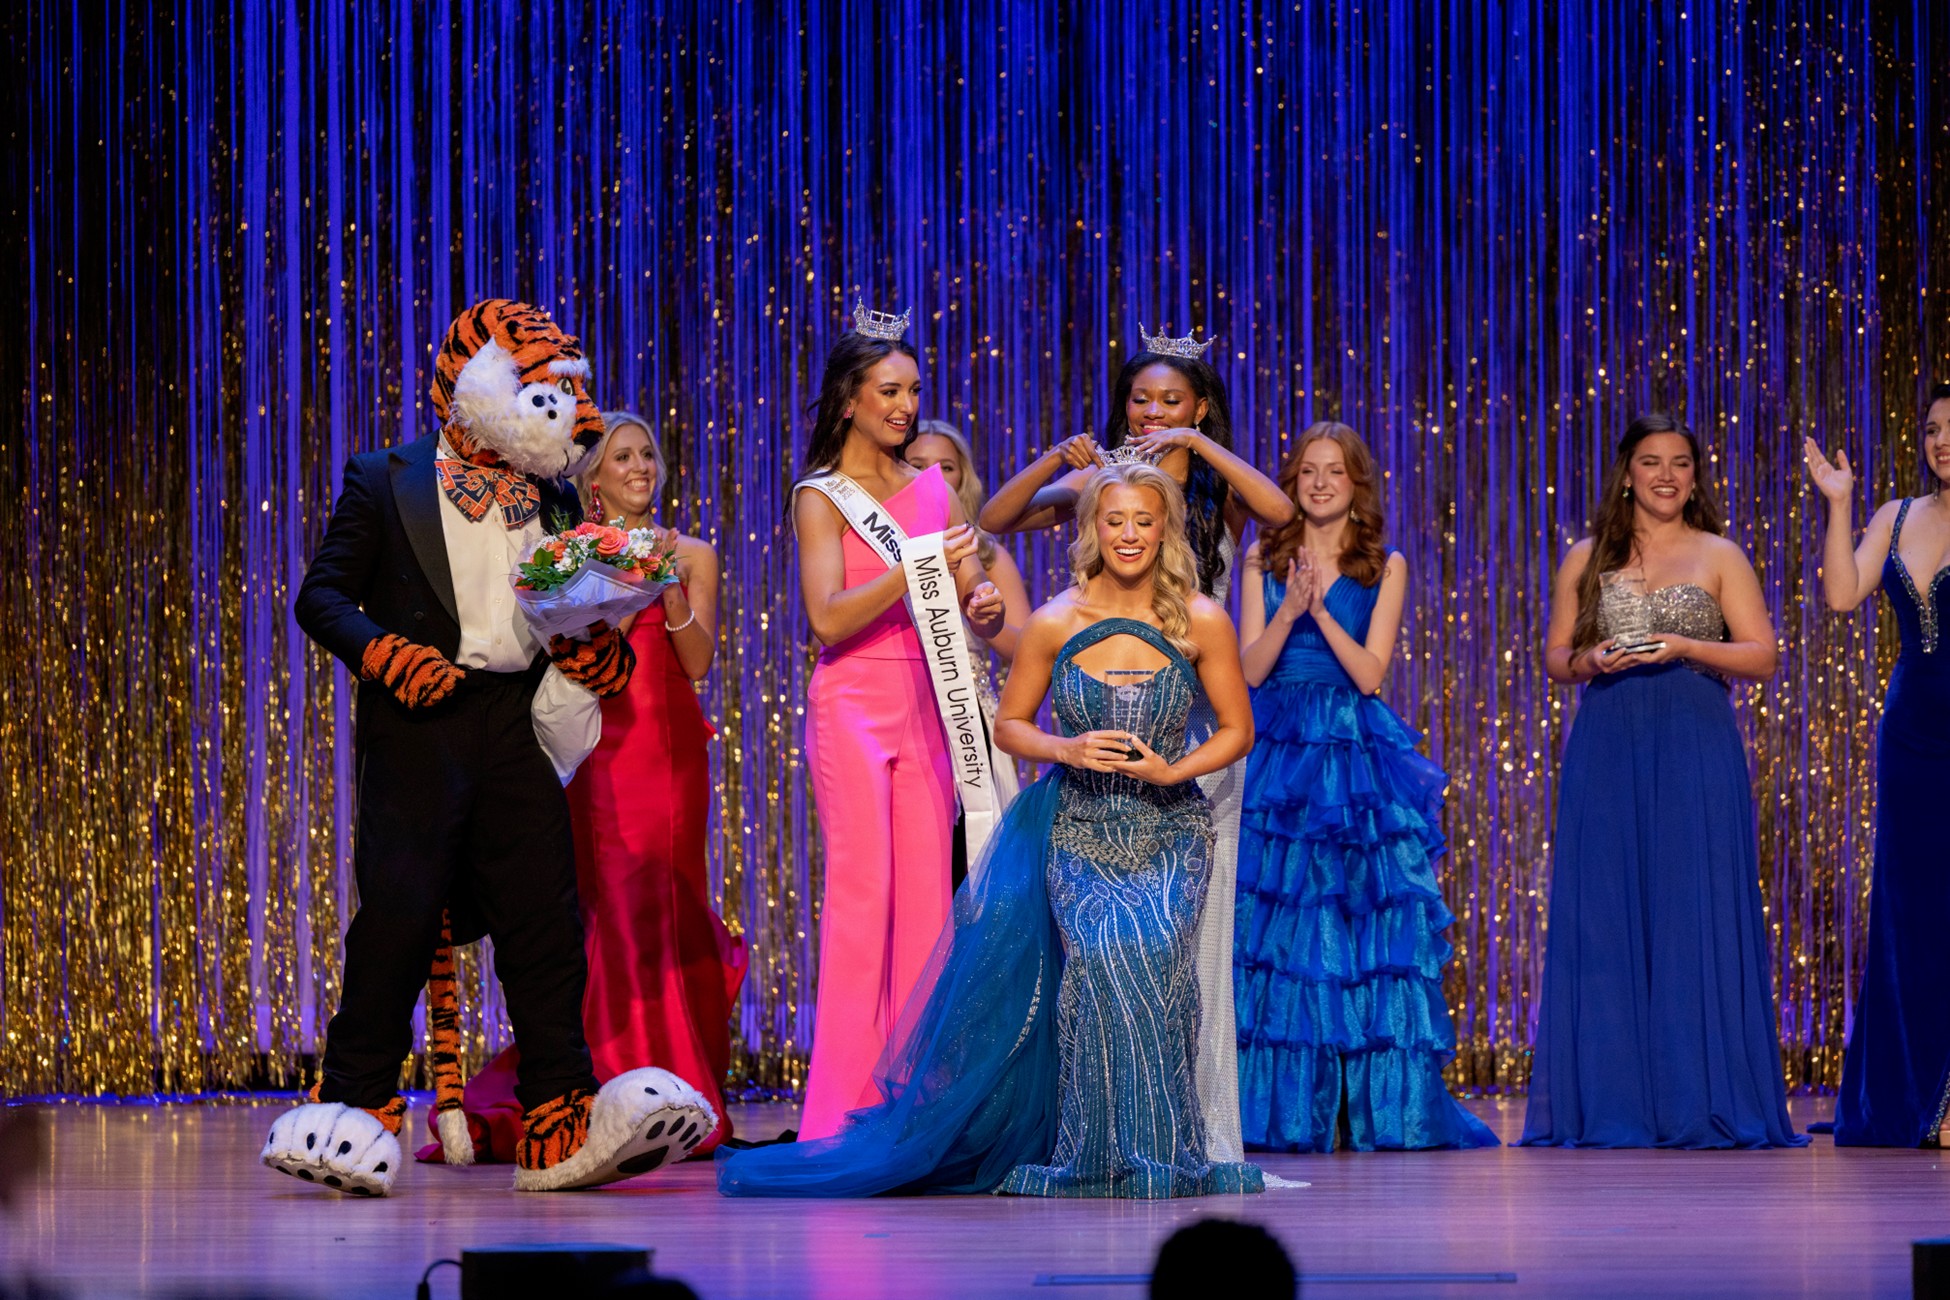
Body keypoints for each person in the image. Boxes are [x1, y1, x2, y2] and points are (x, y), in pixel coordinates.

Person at [718, 463, 1264, 1198]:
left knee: (1156, 973)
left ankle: (1166, 1153)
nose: (1129, 534)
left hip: (1170, 831)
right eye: (1115, 520)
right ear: (1092, 530)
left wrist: (1175, 772)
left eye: (1144, 520)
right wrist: (1066, 749)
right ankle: (1092, 1155)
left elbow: (1238, 730)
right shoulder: (1053, 620)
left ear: (1164, 527)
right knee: (1102, 966)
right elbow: (1009, 725)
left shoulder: (1199, 618)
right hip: (1080, 826)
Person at [978, 326, 1294, 1162]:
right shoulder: (1090, 515)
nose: (1152, 412)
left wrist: (1197, 447)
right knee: (1100, 962)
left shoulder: (1206, 519)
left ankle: (1198, 1130)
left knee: (1186, 954)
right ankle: (1101, 1135)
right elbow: (995, 518)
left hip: (1191, 732)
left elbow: (1281, 512)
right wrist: (1057, 460)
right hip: (1094, 739)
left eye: (1173, 402)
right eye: (1141, 399)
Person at [414, 411, 747, 1163]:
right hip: (593, 745)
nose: (639, 468)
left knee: (666, 900)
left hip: (668, 749)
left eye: (648, 456)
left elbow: (697, 663)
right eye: (622, 458)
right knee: (606, 905)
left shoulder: (691, 552)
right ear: (591, 480)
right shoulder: (567, 555)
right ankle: (597, 1081)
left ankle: (678, 1082)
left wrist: (666, 587)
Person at [1520, 412, 1805, 1150]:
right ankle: (1617, 1104)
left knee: (1691, 913)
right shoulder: (1586, 557)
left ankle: (1697, 1098)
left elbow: (1764, 656)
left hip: (1692, 743)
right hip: (1610, 741)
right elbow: (1555, 657)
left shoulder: (1719, 554)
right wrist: (1592, 661)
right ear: (1627, 474)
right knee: (1610, 916)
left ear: (1695, 477)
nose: (1667, 475)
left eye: (1681, 463)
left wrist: (1683, 643)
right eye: (1651, 462)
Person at [1232, 423, 1497, 1153]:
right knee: (1282, 929)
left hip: (1351, 752)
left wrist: (1319, 610)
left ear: (1357, 484)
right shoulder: (1262, 557)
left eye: (1336, 472)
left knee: (1354, 920)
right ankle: (1288, 1109)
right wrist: (1290, 608)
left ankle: (1363, 1105)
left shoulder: (1385, 564)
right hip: (1279, 748)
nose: (1320, 483)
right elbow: (1250, 670)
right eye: (1309, 471)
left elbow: (1371, 672)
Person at [792, 304, 1005, 1141]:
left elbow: (959, 599)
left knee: (927, 911)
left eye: (913, 390)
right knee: (861, 903)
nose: (906, 405)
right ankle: (839, 1115)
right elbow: (829, 618)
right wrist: (915, 565)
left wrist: (976, 599)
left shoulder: (932, 487)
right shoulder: (820, 498)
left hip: (928, 696)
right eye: (889, 390)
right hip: (852, 706)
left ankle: (915, 1109)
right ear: (848, 398)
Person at [1804, 382, 1950, 1147]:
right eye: (1931, 428)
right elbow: (1840, 594)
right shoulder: (1896, 516)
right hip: (1911, 739)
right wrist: (1839, 502)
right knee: (1912, 911)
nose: (1941, 441)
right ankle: (1916, 1092)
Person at [903, 419, 1032, 883]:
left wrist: (988, 617)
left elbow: (1019, 646)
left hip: (964, 717)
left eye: (945, 467)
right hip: (901, 712)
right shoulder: (877, 549)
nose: (930, 476)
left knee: (967, 864)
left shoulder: (988, 556)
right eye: (916, 465)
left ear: (963, 481)